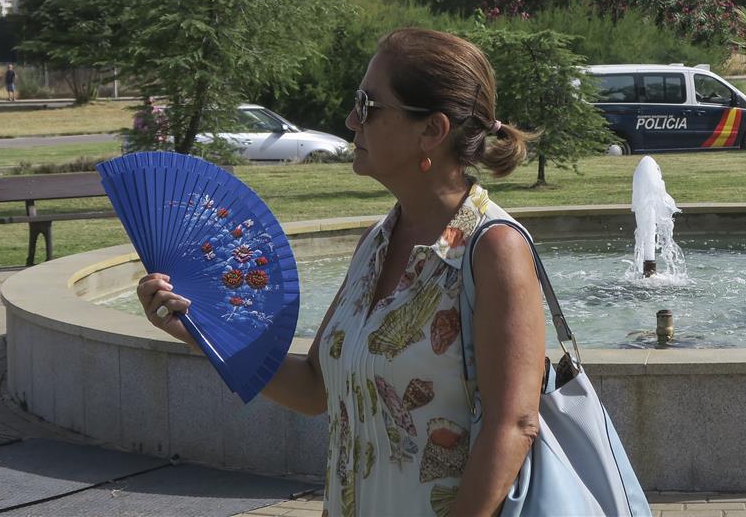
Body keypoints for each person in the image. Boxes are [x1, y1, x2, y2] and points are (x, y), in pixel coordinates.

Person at [136, 28, 545, 516]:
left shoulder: (494, 248)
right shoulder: (377, 242)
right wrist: (199, 331)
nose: (352, 119)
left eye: (369, 106)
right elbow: (314, 388)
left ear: (431, 130)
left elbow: (515, 424)